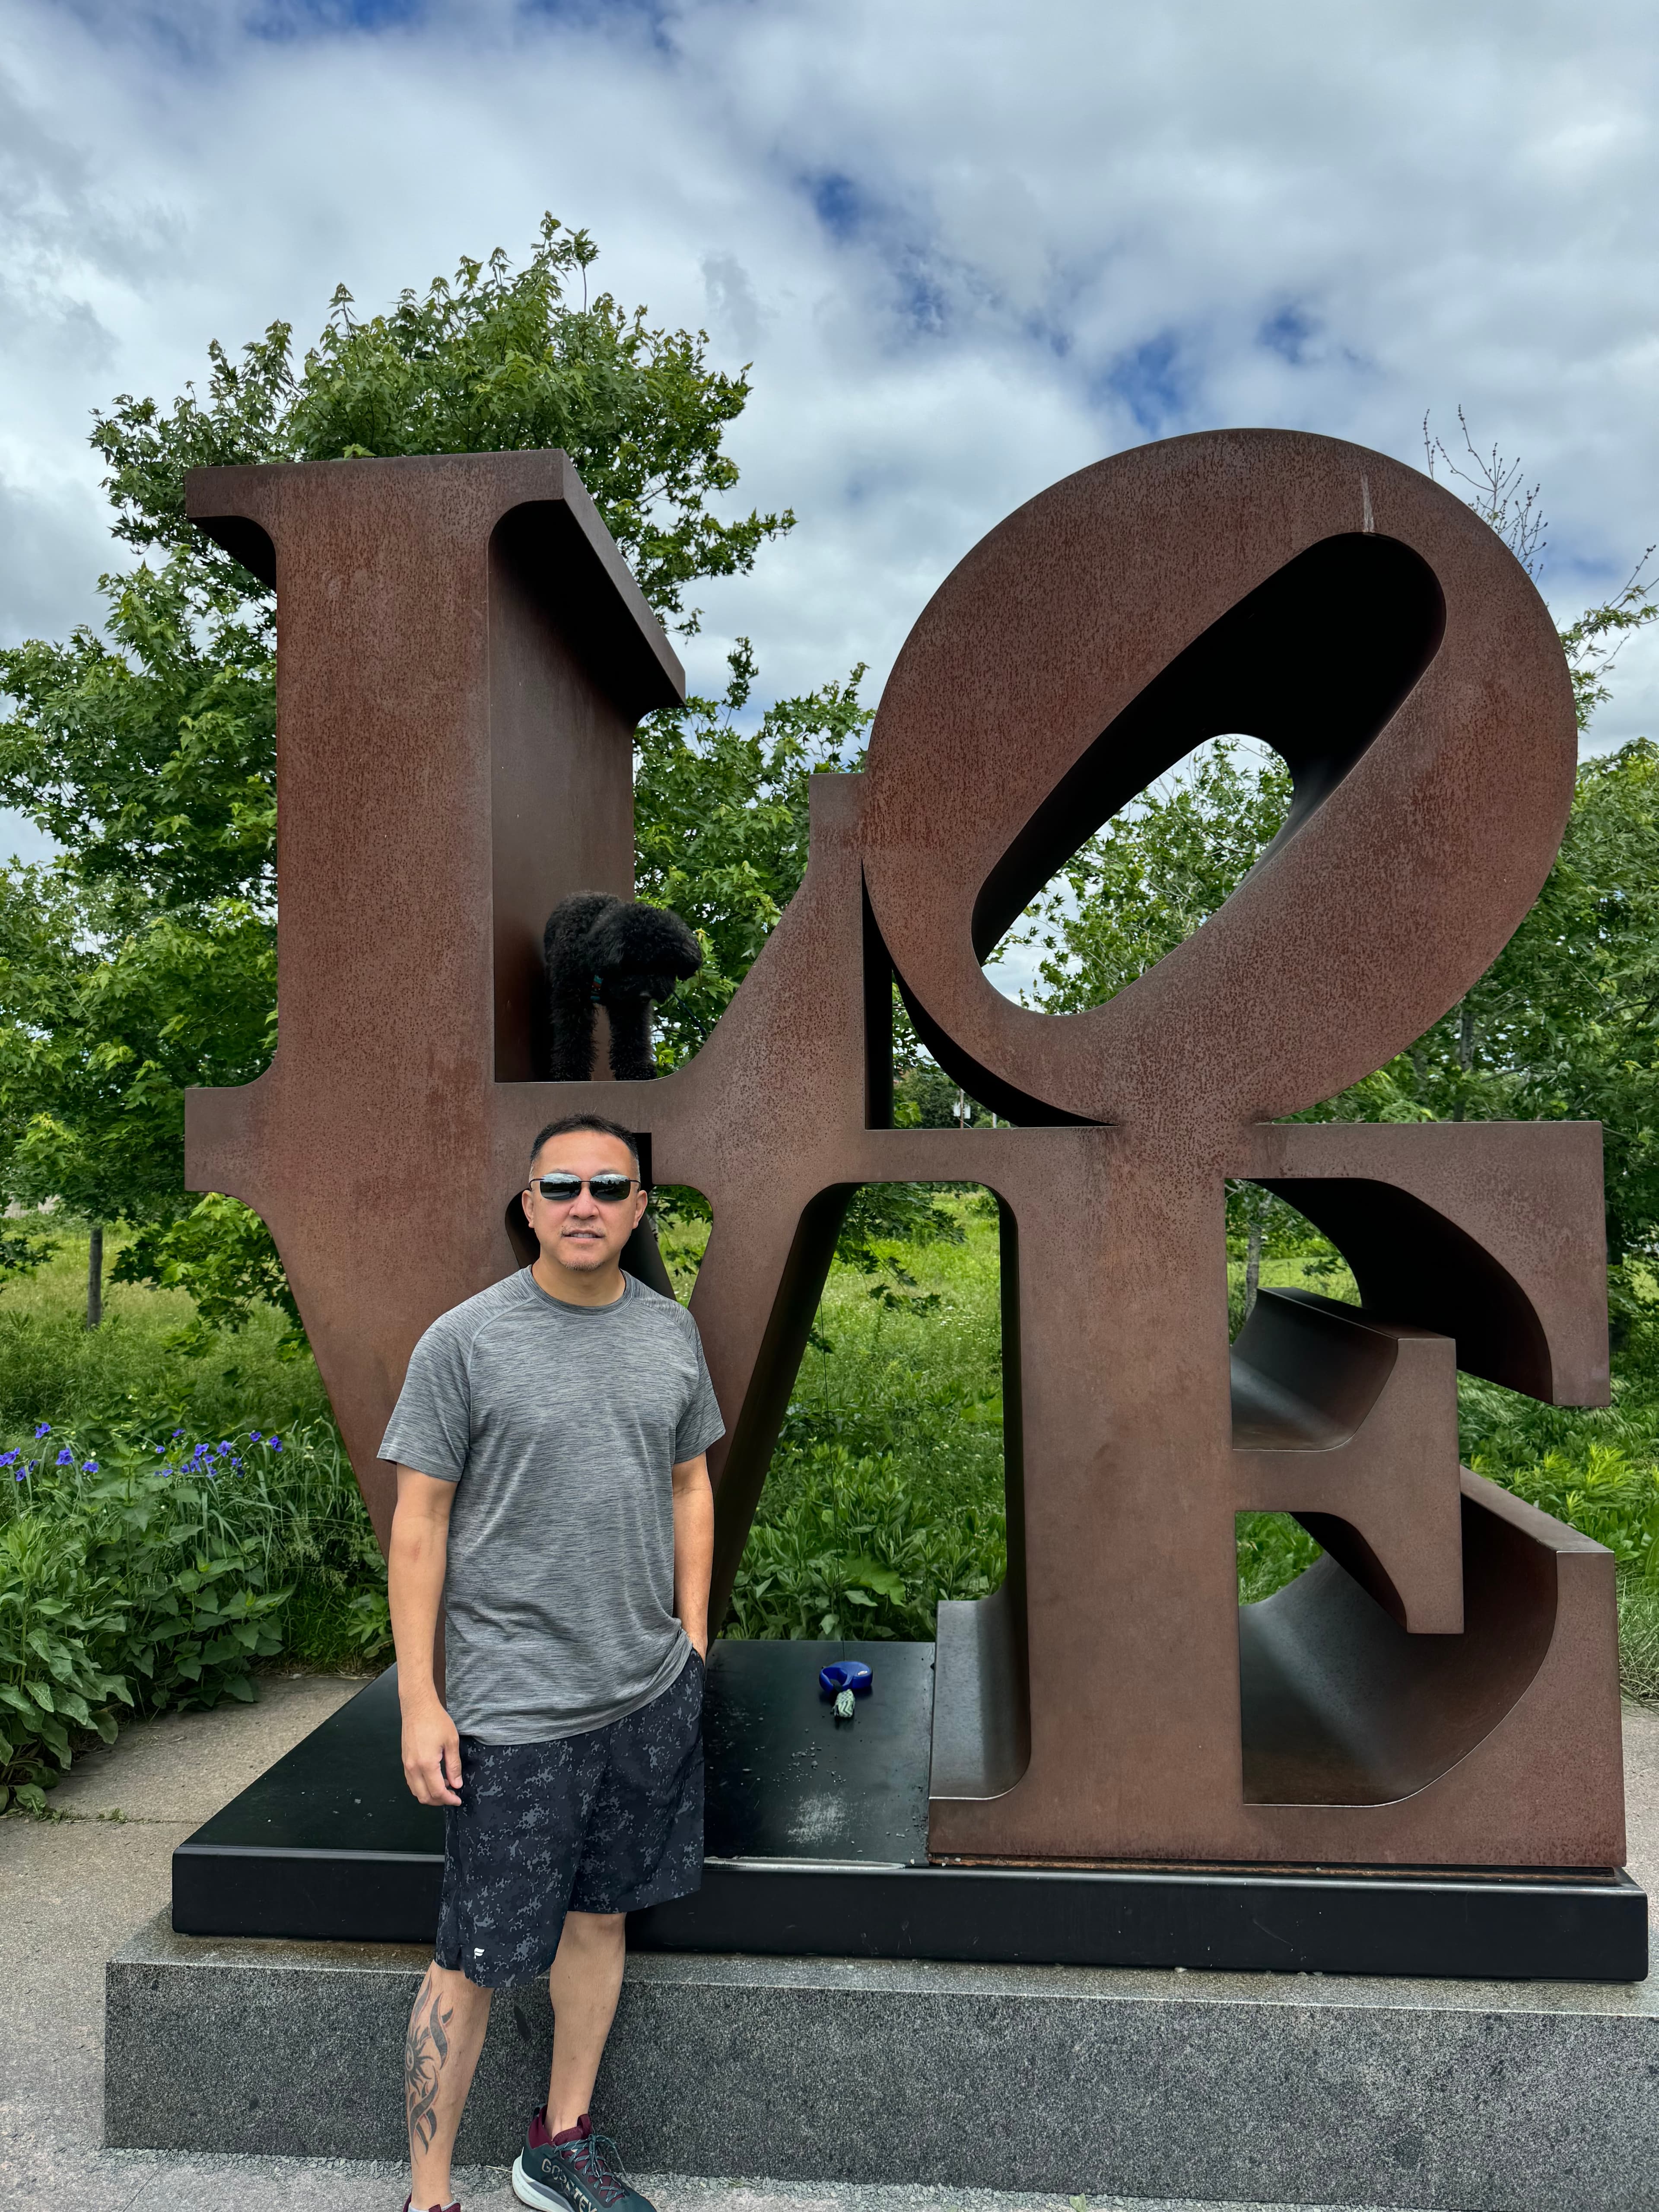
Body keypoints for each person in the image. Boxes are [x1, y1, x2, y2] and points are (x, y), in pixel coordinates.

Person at [382, 1112, 722, 2212]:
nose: (585, 1202)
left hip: (644, 1690)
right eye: (561, 1185)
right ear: (528, 1204)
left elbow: (689, 1485)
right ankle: (429, 2193)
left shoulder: (671, 1332)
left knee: (601, 1917)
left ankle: (559, 2144)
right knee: (475, 1952)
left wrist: (694, 1639)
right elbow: (418, 1526)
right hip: (514, 1707)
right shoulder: (466, 1341)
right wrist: (422, 1699)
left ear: (638, 1208)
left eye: (609, 1185)